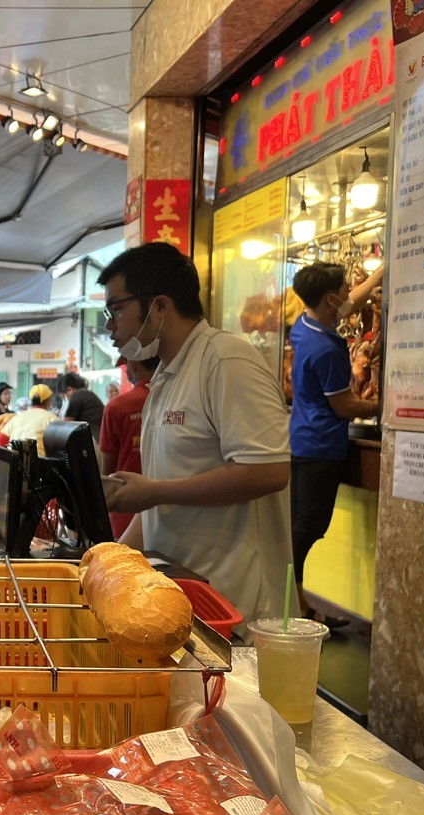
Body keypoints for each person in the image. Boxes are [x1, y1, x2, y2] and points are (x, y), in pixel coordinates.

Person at [101, 242, 293, 623]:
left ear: (159, 305)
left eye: (116, 309)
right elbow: (159, 500)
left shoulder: (226, 360)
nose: (110, 325)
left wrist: (153, 491)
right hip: (181, 595)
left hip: (235, 605)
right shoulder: (166, 376)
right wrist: (109, 563)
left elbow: (268, 471)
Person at [288, 261, 383, 629]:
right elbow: (343, 406)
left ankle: (300, 603)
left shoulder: (304, 325)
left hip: (302, 443)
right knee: (307, 529)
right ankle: (299, 608)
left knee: (302, 526)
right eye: (344, 290)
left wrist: (378, 274)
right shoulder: (326, 348)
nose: (349, 295)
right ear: (329, 298)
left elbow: (350, 304)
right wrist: (384, 404)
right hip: (319, 449)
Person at [99, 356, 160, 538]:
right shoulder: (174, 399)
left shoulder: (116, 407)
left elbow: (107, 471)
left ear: (134, 364)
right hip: (168, 512)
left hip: (125, 511)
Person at [0, 383, 58, 454]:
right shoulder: (51, 418)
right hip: (39, 462)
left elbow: (2, 438)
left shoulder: (18, 417)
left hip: (15, 461)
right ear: (48, 401)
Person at [59, 370, 105, 444]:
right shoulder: (86, 393)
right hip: (99, 440)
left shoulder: (77, 395)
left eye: (64, 397)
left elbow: (66, 426)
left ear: (69, 390)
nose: (65, 401)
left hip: (93, 441)